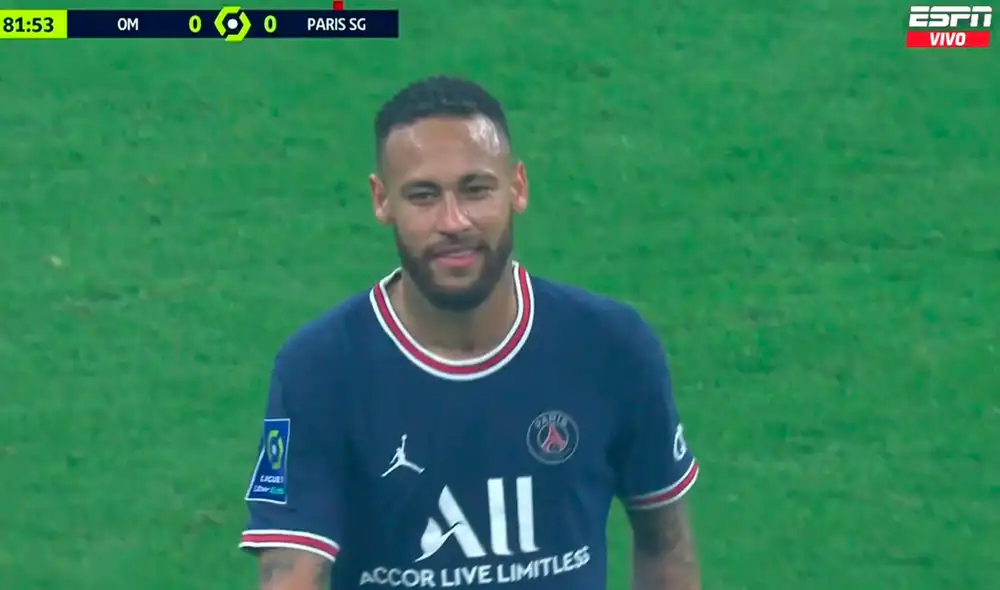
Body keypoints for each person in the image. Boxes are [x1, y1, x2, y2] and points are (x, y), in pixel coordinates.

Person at [239, 76, 701, 590]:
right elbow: (289, 572)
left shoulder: (612, 348)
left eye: (475, 189)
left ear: (517, 187)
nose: (453, 221)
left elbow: (666, 542)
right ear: (381, 200)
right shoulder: (319, 370)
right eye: (423, 196)